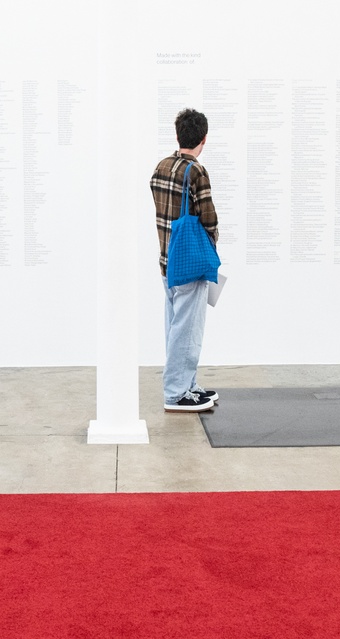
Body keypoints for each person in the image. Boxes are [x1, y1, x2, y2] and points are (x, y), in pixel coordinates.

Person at [150, 108, 219, 412]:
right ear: (204, 139)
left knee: (175, 327)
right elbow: (209, 219)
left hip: (167, 259)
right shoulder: (196, 171)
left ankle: (187, 385)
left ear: (178, 135)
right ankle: (176, 392)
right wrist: (212, 242)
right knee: (188, 330)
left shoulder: (161, 166)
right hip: (190, 263)